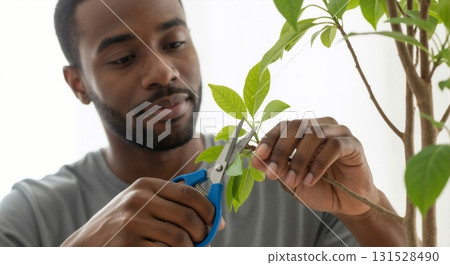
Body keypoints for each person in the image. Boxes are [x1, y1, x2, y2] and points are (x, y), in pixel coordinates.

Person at [0, 0, 406, 247]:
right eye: (124, 58)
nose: (163, 71)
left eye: (174, 43)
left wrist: (366, 208)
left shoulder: (293, 180)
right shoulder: (31, 215)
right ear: (79, 84)